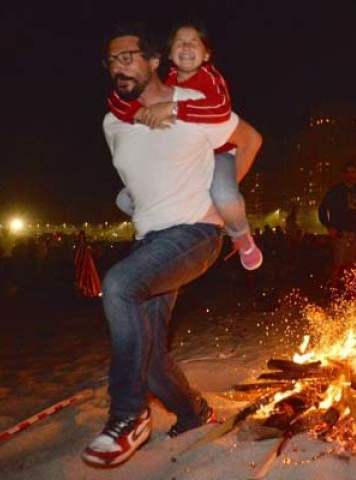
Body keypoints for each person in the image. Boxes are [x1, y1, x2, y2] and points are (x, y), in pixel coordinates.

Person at [82, 23, 262, 468]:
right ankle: (194, 412)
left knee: (120, 284)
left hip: (195, 234)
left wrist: (218, 199)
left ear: (154, 61)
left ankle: (128, 413)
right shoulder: (112, 122)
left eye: (128, 56)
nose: (119, 66)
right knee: (150, 351)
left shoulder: (196, 104)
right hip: (151, 241)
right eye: (112, 60)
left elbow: (251, 141)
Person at [108, 22, 263, 271]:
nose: (187, 46)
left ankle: (241, 236)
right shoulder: (167, 82)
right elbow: (116, 100)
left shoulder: (211, 79)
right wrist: (139, 113)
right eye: (180, 42)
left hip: (217, 153)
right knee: (124, 200)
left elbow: (220, 110)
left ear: (207, 55)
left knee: (224, 196)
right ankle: (174, 218)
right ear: (169, 55)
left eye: (194, 42)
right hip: (185, 164)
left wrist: (174, 108)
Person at [318, 163, 356, 291]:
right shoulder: (335, 191)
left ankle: (350, 290)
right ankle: (333, 290)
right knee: (337, 264)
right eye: (347, 172)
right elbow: (322, 209)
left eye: (353, 172)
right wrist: (329, 226)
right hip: (340, 232)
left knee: (352, 264)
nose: (350, 175)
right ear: (343, 175)